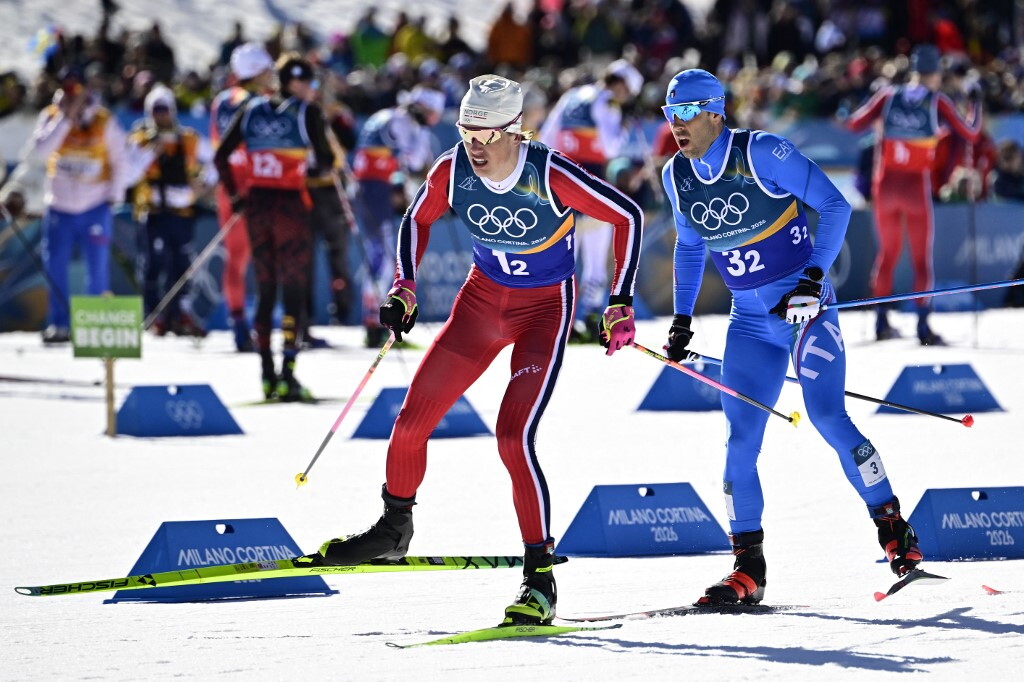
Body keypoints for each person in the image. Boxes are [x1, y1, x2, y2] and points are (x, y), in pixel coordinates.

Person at [299, 75, 644, 625]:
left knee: (512, 437)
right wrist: (404, 286)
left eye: (485, 134)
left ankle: (539, 579)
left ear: (513, 129)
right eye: (466, 131)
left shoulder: (547, 172)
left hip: (543, 313)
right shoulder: (452, 167)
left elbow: (626, 214)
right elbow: (417, 218)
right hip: (480, 305)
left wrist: (620, 301)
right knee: (410, 422)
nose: (474, 145)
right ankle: (393, 529)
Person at [659, 69, 922, 606]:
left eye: (685, 114)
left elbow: (835, 205)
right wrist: (682, 319)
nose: (676, 125)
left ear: (715, 112)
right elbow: (689, 249)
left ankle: (895, 531)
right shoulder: (675, 175)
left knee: (828, 417)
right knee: (739, 442)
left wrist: (812, 280)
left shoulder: (762, 153)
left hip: (806, 313)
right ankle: (747, 568)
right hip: (750, 324)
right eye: (669, 115)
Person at [213, 56, 334, 401]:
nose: (311, 89)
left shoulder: (251, 109)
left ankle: (266, 373)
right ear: (296, 82)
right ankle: (288, 373)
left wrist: (236, 195)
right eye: (309, 83)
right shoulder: (306, 112)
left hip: (258, 206)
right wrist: (309, 172)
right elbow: (326, 160)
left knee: (266, 290)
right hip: (291, 206)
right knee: (293, 290)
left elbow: (221, 154)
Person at [847, 45, 981, 344]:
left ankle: (881, 323)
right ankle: (922, 328)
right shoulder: (937, 100)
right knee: (921, 261)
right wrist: (976, 102)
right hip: (915, 188)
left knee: (887, 256)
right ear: (935, 75)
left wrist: (871, 102)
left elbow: (854, 123)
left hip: (886, 187)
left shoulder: (887, 96)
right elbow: (970, 132)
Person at [540, 59, 643, 342]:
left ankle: (563, 320)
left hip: (562, 183)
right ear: (620, 84)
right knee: (596, 256)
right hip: (592, 183)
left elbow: (548, 136)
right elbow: (611, 146)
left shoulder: (572, 94)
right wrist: (622, 126)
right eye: (627, 93)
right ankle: (591, 316)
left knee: (565, 255)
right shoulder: (607, 101)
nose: (624, 98)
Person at [29, 66, 129, 344]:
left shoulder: (102, 119)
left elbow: (121, 159)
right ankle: (59, 324)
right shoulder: (51, 115)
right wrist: (64, 118)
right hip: (59, 207)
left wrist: (114, 196)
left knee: (96, 269)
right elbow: (41, 151)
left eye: (77, 86)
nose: (72, 92)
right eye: (67, 86)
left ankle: (95, 330)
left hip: (95, 205)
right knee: (55, 267)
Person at [351, 85, 444, 346]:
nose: (432, 120)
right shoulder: (400, 120)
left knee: (379, 253)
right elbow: (414, 162)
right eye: (431, 114)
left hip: (371, 186)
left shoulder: (389, 115)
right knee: (381, 255)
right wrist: (423, 133)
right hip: (374, 188)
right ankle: (373, 321)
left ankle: (372, 320)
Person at [210, 42, 275, 352]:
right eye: (267, 70)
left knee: (235, 260)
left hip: (228, 187)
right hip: (256, 186)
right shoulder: (261, 102)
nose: (272, 75)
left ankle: (239, 323)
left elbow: (216, 145)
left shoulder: (221, 101)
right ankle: (261, 326)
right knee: (266, 259)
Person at [129, 84, 207, 337]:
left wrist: (202, 186)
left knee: (181, 265)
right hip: (152, 211)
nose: (161, 116)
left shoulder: (189, 138)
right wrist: (153, 151)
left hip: (181, 211)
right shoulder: (140, 139)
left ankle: (181, 313)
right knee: (153, 263)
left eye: (165, 110)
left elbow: (215, 158)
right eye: (156, 110)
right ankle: (155, 314)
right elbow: (130, 172)